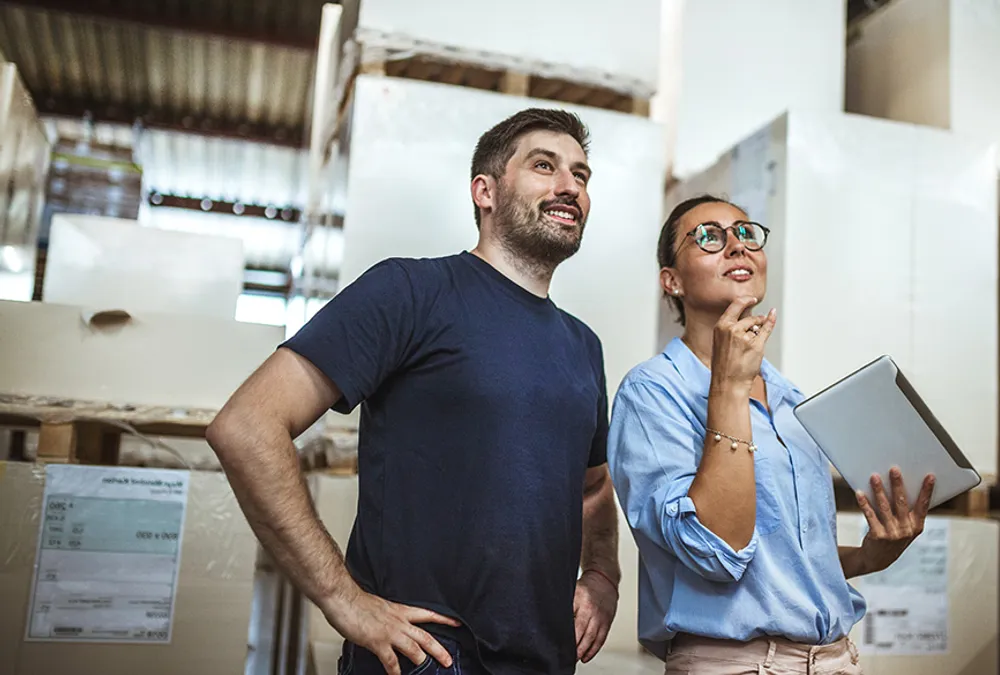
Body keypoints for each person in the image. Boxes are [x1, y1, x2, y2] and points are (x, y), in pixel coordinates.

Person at [207, 108, 621, 675]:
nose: (569, 186)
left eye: (581, 174)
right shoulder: (411, 292)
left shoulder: (583, 346)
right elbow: (247, 425)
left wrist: (602, 576)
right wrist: (343, 600)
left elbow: (593, 487)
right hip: (422, 661)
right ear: (486, 191)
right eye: (544, 166)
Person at [606, 195, 936, 674]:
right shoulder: (651, 393)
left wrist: (867, 556)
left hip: (834, 659)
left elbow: (781, 559)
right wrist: (729, 388)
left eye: (745, 233)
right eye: (709, 237)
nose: (737, 246)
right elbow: (716, 549)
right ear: (670, 281)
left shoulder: (790, 399)